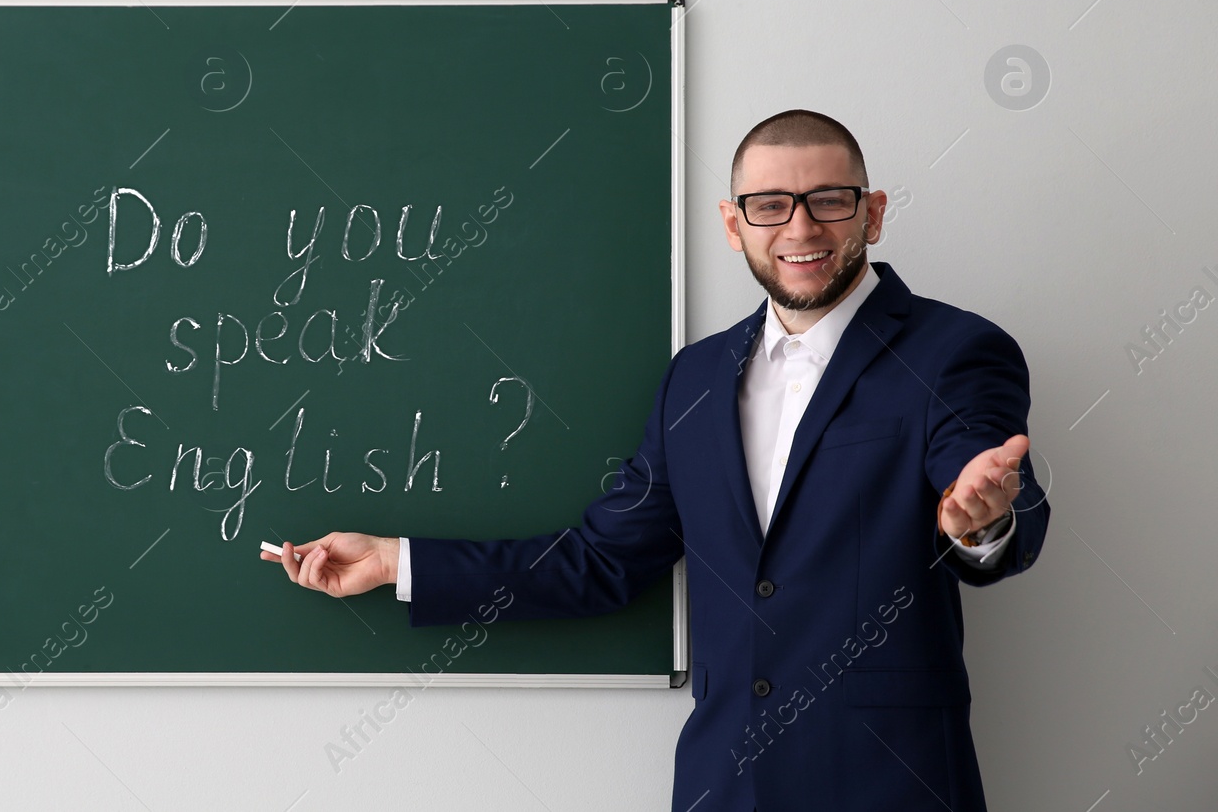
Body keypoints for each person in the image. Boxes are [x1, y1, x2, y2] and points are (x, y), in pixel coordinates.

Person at [261, 109, 1049, 812]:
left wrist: (982, 519)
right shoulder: (696, 379)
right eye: (770, 205)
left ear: (871, 214)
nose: (800, 228)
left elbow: (984, 475)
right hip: (722, 781)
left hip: (890, 783)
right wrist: (397, 560)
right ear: (733, 224)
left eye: (829, 201)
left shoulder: (952, 350)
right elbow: (603, 559)